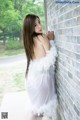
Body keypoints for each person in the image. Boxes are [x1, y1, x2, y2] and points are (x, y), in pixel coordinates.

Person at [22, 13, 58, 120]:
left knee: (35, 111)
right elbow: (51, 58)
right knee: (46, 111)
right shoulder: (41, 37)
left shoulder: (28, 41)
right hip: (42, 80)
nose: (39, 26)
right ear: (30, 27)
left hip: (30, 80)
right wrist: (51, 40)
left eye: (39, 22)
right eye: (35, 25)